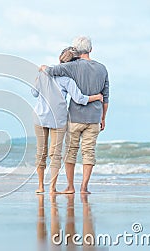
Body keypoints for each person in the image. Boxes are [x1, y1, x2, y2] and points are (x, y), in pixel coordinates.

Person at [40, 36, 110, 194]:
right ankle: (84, 187)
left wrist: (43, 67)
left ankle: (70, 186)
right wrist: (103, 118)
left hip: (75, 117)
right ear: (91, 49)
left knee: (71, 151)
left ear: (76, 50)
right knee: (89, 151)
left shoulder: (71, 66)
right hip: (94, 117)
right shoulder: (102, 68)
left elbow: (51, 71)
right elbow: (105, 96)